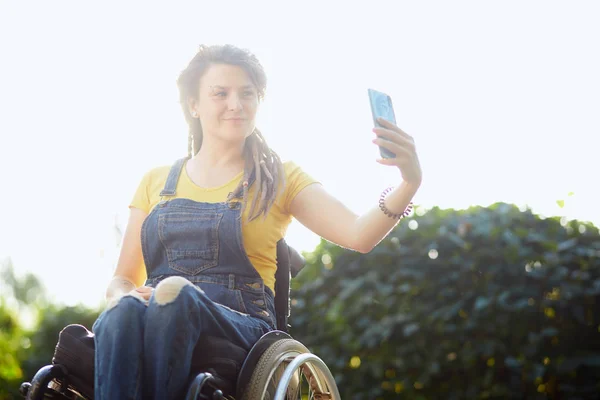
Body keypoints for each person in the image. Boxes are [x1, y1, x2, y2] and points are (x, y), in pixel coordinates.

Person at [92, 44, 422, 400]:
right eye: (220, 93)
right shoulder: (154, 181)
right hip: (153, 310)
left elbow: (359, 234)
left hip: (242, 327)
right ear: (194, 105)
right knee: (123, 311)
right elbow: (122, 279)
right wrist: (128, 294)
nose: (236, 104)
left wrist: (409, 182)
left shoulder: (279, 178)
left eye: (246, 93)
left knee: (176, 293)